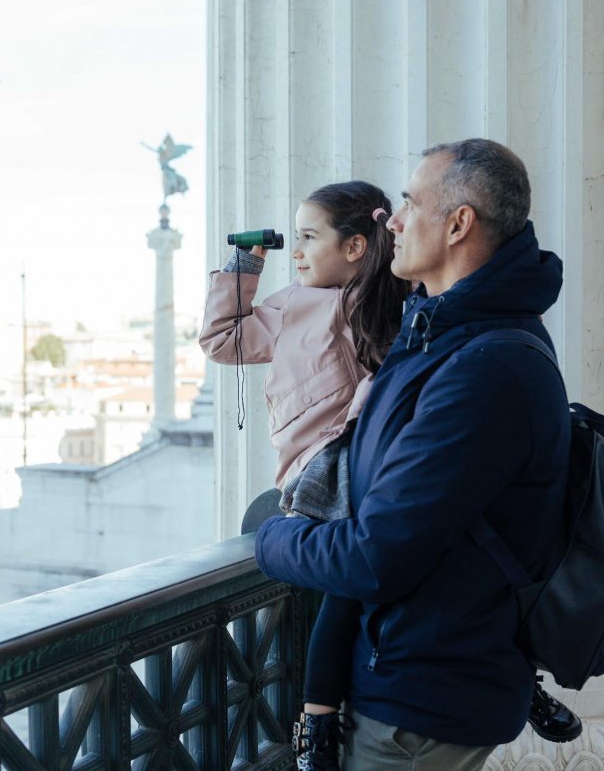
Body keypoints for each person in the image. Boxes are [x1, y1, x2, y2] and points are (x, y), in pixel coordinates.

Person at [255, 139, 577, 769]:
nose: (391, 221)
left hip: (419, 707)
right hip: (412, 675)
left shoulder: (484, 367)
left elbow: (377, 556)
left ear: (459, 224)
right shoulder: (440, 332)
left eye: (407, 203)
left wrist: (270, 537)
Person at [201, 180, 409, 769]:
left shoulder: (394, 297)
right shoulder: (294, 304)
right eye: (294, 238)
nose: (297, 251)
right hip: (313, 469)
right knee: (347, 578)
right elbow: (223, 340)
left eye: (310, 237)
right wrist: (244, 266)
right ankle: (318, 719)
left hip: (368, 462)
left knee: (355, 580)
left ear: (355, 246)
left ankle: (317, 720)